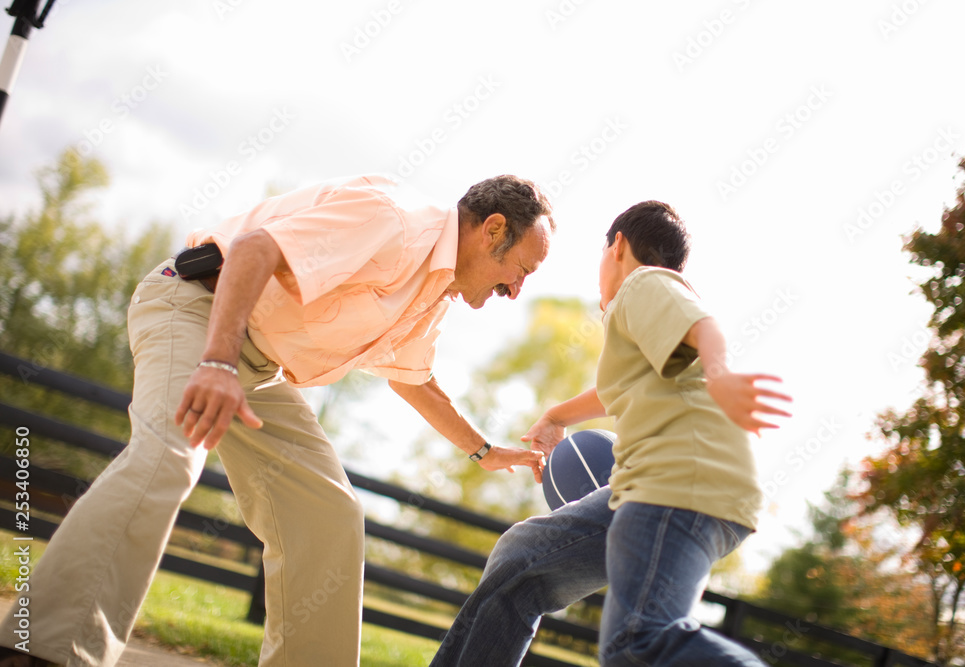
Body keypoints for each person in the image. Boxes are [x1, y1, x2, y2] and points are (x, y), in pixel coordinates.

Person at [0, 174, 555, 667]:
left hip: (260, 366)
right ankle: (45, 647)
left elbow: (413, 379)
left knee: (329, 513)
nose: (516, 289)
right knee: (170, 454)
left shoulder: (434, 294)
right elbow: (252, 250)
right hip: (196, 309)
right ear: (492, 229)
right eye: (521, 269)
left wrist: (484, 451)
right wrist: (216, 362)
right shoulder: (395, 221)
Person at [431, 200, 791, 666]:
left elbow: (704, 328)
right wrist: (557, 416)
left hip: (679, 478)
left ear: (617, 246)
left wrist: (720, 374)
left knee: (639, 641)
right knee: (523, 558)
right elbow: (620, 387)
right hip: (672, 484)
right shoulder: (645, 327)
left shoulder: (645, 282)